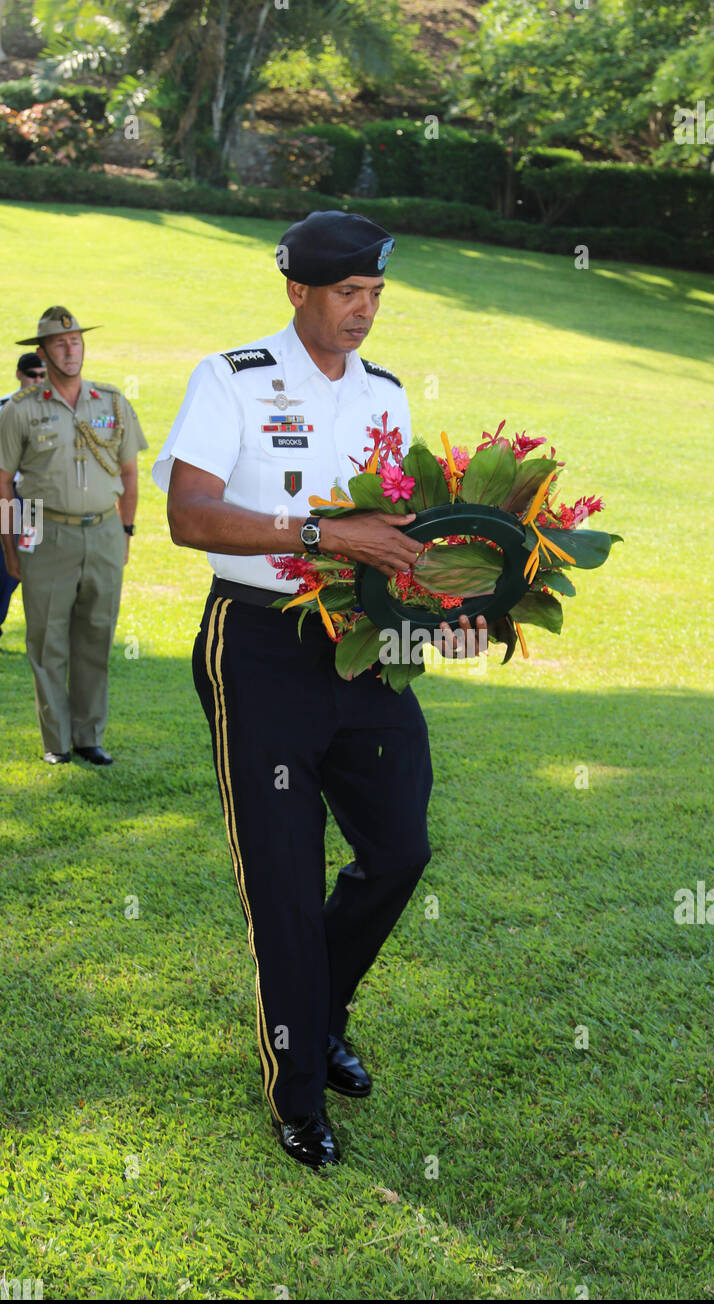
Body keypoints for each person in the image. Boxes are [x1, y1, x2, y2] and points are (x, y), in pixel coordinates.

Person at [155, 210, 486, 1171]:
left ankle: (321, 1009)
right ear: (298, 290)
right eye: (349, 294)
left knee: (399, 848)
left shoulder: (386, 393)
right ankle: (297, 1090)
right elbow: (188, 516)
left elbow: (402, 541)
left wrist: (452, 611)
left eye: (377, 295)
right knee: (286, 883)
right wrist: (319, 534)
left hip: (364, 645)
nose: (365, 312)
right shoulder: (232, 380)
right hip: (258, 648)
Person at [0, 308, 147, 764]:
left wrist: (125, 531)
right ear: (42, 352)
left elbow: (128, 472)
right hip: (45, 532)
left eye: (76, 341)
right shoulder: (21, 410)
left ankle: (89, 736)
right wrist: (9, 545)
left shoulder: (113, 402)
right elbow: (3, 481)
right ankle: (57, 743)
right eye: (59, 343)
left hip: (103, 531)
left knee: (97, 635)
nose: (70, 349)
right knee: (47, 640)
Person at [0, 353, 46, 638]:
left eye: (42, 375)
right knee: (4, 563)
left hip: (34, 503)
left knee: (32, 560)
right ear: (19, 374)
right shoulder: (4, 408)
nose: (37, 381)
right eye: (32, 375)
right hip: (7, 497)